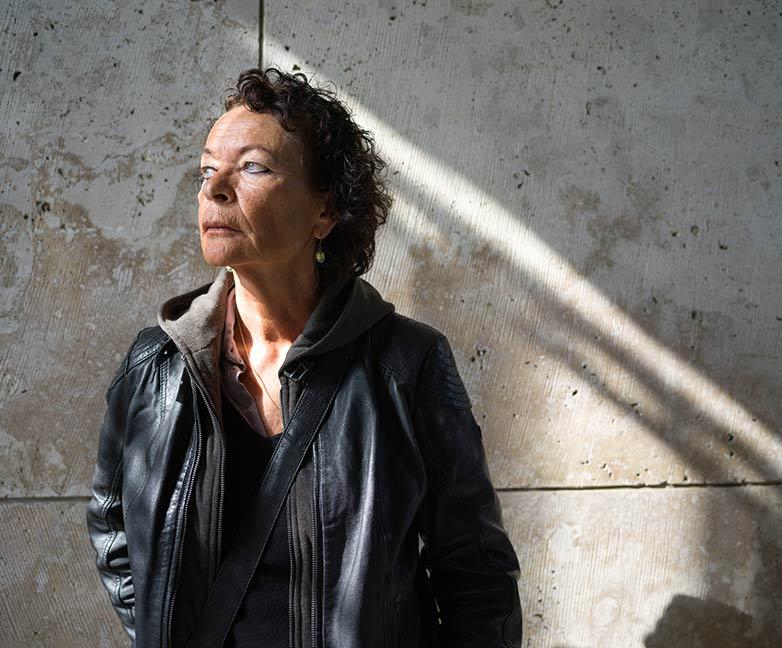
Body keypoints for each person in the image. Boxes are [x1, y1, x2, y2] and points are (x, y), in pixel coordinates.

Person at [85, 67, 522, 648]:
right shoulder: (156, 367)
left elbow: (477, 578)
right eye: (207, 170)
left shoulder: (405, 365)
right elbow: (111, 521)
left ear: (325, 211)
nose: (214, 190)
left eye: (253, 168)